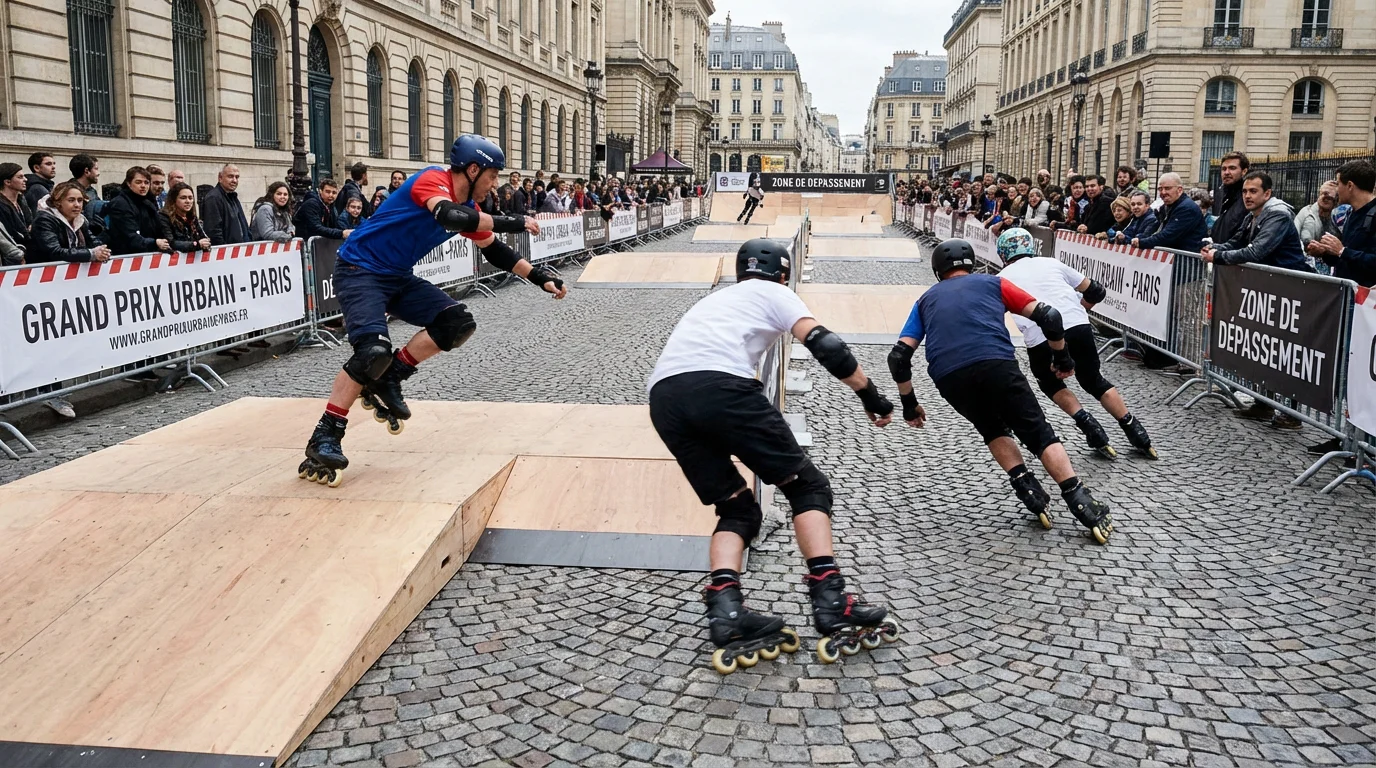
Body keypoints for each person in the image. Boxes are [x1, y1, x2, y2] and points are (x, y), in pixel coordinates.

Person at [648, 238, 897, 673]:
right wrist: (870, 395)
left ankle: (726, 612)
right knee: (809, 488)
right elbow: (828, 346)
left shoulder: (717, 299)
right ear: (784, 273)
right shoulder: (776, 291)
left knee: (738, 509)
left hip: (665, 397)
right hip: (722, 388)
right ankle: (831, 600)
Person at [297, 135, 561, 487]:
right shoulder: (433, 180)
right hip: (359, 271)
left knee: (456, 322)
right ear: (472, 169)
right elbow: (449, 215)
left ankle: (390, 376)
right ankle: (325, 436)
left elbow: (496, 252)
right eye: (492, 175)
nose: (494, 184)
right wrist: (515, 220)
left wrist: (540, 277)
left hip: (396, 277)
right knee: (372, 352)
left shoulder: (471, 208)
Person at [887, 239, 1115, 544]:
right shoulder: (994, 283)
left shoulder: (925, 300)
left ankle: (1026, 486)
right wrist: (1062, 358)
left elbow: (898, 358)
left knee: (991, 427)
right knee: (1037, 431)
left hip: (949, 376)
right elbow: (1050, 317)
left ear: (937, 271)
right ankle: (1081, 501)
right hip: (995, 362)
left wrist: (909, 404)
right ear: (971, 263)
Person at [996, 228, 1157, 460]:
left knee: (1050, 383)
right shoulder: (1051, 263)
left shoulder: (1001, 279)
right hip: (1077, 324)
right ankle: (1134, 428)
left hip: (1041, 335)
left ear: (1003, 253)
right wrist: (1079, 310)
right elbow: (1096, 290)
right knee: (1093, 379)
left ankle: (1088, 424)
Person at [1202, 171, 1312, 272]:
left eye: (1253, 191)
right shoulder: (1251, 216)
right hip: (1270, 281)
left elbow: (1256, 252)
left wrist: (1218, 256)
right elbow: (1236, 243)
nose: (1247, 196)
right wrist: (1211, 247)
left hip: (1291, 282)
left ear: (1267, 194)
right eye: (1244, 191)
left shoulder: (1278, 215)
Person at [1311, 160, 1376, 288]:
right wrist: (1325, 252)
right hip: (1346, 294)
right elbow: (1344, 258)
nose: (1336, 190)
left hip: (1366, 302)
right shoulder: (1351, 213)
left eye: (1338, 183)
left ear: (1350, 186)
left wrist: (1342, 251)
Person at [1132, 173, 1207, 252]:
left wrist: (1142, 242)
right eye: (1160, 189)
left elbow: (1168, 236)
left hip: (1186, 260)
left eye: (1167, 188)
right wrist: (1140, 238)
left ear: (1179, 190)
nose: (1163, 192)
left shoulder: (1186, 208)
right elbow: (1155, 227)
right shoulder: (1166, 207)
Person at [106, 166, 170, 255]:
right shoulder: (119, 204)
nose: (143, 186)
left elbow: (158, 229)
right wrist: (154, 243)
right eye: (138, 182)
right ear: (129, 183)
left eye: (146, 182)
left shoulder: (148, 203)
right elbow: (129, 236)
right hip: (126, 255)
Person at [1297, 181, 1341, 274]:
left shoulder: (1338, 218)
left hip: (1332, 267)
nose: (1326, 198)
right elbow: (1300, 238)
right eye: (1323, 194)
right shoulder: (1307, 213)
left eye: (1331, 197)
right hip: (1306, 265)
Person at [202, 164, 250, 245]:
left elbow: (243, 226)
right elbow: (214, 231)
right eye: (230, 176)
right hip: (227, 253)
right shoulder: (213, 198)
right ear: (220, 178)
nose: (234, 180)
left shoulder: (233, 197)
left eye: (237, 177)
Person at [158, 182, 212, 253]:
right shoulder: (164, 217)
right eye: (183, 198)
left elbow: (203, 236)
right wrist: (195, 244)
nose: (188, 201)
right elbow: (170, 242)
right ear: (174, 200)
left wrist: (206, 243)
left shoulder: (192, 218)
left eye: (190, 198)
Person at [1211, 152, 1250, 245]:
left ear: (1244, 171)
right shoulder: (1219, 193)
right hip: (1217, 252)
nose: (1227, 172)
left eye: (1232, 168)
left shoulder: (1248, 197)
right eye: (1224, 169)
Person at [0, 163, 34, 252]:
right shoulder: (1, 205)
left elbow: (30, 223)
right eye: (20, 177)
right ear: (7, 182)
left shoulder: (21, 199)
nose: (25, 179)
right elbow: (9, 232)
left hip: (28, 248)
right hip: (12, 253)